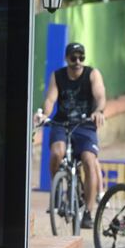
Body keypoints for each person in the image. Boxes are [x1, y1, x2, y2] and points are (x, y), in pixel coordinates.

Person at [37, 42, 106, 229]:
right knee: (56, 153)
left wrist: (99, 111)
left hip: (85, 125)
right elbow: (51, 98)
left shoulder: (92, 73)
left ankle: (89, 213)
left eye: (81, 57)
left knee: (89, 161)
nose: (77, 61)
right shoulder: (58, 75)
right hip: (62, 123)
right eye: (73, 57)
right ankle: (57, 189)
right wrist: (45, 114)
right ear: (66, 58)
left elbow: (100, 97)